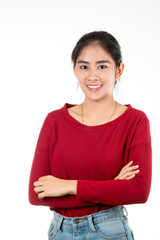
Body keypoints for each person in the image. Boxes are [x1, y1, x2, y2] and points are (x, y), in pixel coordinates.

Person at [28, 31, 152, 240]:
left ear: (119, 70)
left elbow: (138, 191)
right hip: (60, 233)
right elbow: (36, 195)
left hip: (109, 231)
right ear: (75, 70)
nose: (92, 76)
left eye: (102, 66)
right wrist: (111, 188)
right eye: (84, 66)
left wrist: (67, 186)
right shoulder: (55, 121)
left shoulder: (135, 121)